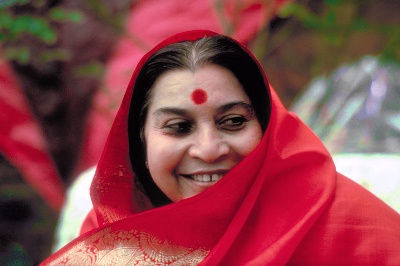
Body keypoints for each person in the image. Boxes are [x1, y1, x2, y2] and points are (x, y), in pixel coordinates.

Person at [41, 30, 400, 265]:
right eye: (179, 127)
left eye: (233, 122)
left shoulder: (353, 231)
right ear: (140, 141)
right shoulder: (116, 243)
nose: (209, 150)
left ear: (268, 126)